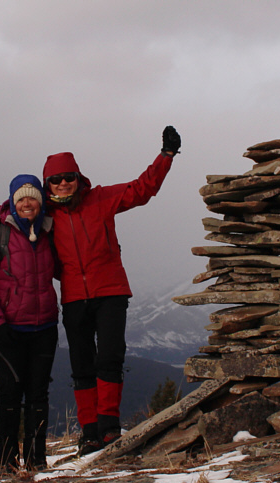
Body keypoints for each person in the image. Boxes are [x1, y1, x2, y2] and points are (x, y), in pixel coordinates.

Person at [45, 126, 180, 454]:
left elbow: (142, 190)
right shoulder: (45, 213)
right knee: (81, 365)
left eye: (69, 176)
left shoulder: (101, 198)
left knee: (109, 358)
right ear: (47, 184)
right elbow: (8, 210)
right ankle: (89, 432)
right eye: (56, 179)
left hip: (110, 291)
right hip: (74, 296)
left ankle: (108, 427)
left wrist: (166, 156)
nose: (63, 182)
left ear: (78, 177)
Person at [0, 175, 59, 473]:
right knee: (10, 394)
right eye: (20, 198)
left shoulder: (49, 232)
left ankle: (37, 460)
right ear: (12, 202)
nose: (26, 203)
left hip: (44, 328)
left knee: (38, 395)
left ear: (41, 201)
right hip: (8, 329)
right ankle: (7, 463)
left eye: (32, 197)